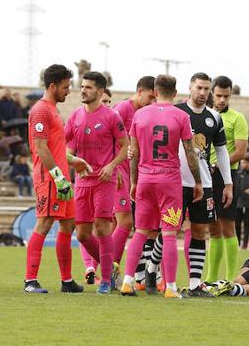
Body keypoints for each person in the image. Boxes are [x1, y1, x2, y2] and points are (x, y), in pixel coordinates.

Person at [145, 72, 232, 297]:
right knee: (169, 230)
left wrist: (228, 183)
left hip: (204, 183)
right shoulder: (176, 112)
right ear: (190, 88)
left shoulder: (214, 117)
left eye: (206, 89)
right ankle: (152, 268)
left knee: (199, 231)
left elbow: (221, 152)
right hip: (174, 181)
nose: (202, 93)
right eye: (199, 88)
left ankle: (194, 284)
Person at [120, 74, 203, 299]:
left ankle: (128, 281)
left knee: (140, 232)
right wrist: (197, 181)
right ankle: (171, 287)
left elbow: (134, 153)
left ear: (155, 92)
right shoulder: (181, 116)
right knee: (168, 234)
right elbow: (190, 153)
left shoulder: (139, 114)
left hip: (146, 179)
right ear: (175, 94)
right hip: (169, 181)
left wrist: (135, 181)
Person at [24, 64, 92, 294]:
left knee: (68, 223)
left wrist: (73, 161)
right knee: (44, 224)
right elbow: (41, 148)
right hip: (49, 178)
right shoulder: (41, 111)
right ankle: (30, 281)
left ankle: (66, 281)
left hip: (61, 176)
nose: (69, 91)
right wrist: (59, 177)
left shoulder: (52, 109)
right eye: (65, 86)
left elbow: (54, 147)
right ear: (52, 86)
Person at [65, 71, 128, 294]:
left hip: (104, 180)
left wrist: (111, 167)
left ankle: (106, 280)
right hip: (82, 182)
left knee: (102, 228)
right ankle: (109, 268)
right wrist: (73, 162)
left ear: (100, 92)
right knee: (82, 234)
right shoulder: (75, 117)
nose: (83, 90)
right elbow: (67, 149)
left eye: (89, 87)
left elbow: (125, 146)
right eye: (82, 86)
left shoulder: (111, 117)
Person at [110, 76, 156, 275]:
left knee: (115, 224)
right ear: (139, 91)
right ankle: (109, 269)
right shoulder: (123, 109)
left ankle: (101, 270)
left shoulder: (146, 113)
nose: (153, 102)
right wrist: (113, 167)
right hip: (120, 172)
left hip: (136, 175)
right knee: (126, 222)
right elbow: (107, 137)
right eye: (150, 97)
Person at [207, 76, 248, 283]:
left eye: (226, 96)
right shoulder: (205, 117)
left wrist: (217, 165)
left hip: (226, 176)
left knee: (227, 226)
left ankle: (231, 278)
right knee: (212, 228)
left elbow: (241, 152)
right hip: (205, 176)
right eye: (219, 95)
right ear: (212, 93)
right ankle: (211, 278)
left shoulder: (237, 118)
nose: (222, 99)